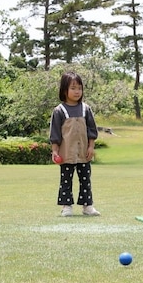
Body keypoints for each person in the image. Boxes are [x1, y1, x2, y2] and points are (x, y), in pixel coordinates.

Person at [49, 71, 101, 217]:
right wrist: (55, 151)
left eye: (79, 88)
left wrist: (91, 147)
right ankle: (66, 206)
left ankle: (87, 206)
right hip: (66, 154)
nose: (77, 91)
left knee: (86, 179)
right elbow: (55, 134)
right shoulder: (59, 111)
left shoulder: (86, 109)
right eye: (73, 88)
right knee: (66, 180)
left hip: (84, 153)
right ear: (64, 90)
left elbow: (92, 130)